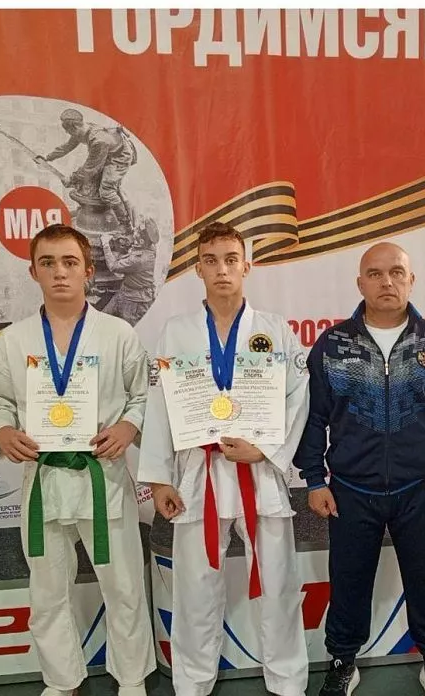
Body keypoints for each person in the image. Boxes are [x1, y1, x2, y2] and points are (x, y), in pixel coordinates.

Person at [0, 224, 153, 696]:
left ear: (88, 271)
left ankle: (131, 677)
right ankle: (61, 680)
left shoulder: (117, 334)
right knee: (47, 592)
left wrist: (128, 426)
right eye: (48, 262)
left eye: (70, 262)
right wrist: (2, 430)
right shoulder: (14, 339)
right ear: (32, 272)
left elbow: (141, 396)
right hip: (44, 479)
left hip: (102, 476)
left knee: (124, 587)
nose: (59, 272)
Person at [138, 222, 312, 696]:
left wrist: (267, 448)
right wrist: (159, 479)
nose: (222, 269)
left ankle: (287, 682)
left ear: (246, 266)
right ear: (198, 269)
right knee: (194, 589)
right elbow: (160, 406)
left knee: (277, 584)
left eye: (231, 259)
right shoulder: (175, 332)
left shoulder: (275, 330)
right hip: (199, 474)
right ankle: (192, 683)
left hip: (260, 474)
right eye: (211, 260)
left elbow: (299, 397)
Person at [294, 241, 425, 696]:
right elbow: (313, 416)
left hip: (422, 489)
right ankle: (342, 660)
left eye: (396, 272)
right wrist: (314, 479)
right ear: (360, 283)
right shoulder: (333, 345)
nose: (386, 281)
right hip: (351, 489)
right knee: (348, 582)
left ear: (411, 281)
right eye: (375, 273)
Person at [36, 109, 140, 233]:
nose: (68, 133)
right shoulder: (82, 130)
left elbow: (90, 168)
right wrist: (47, 157)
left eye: (68, 131)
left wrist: (72, 179)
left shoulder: (98, 140)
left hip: (119, 157)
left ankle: (125, 224)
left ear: (75, 127)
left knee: (107, 190)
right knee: (91, 185)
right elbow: (67, 147)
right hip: (107, 153)